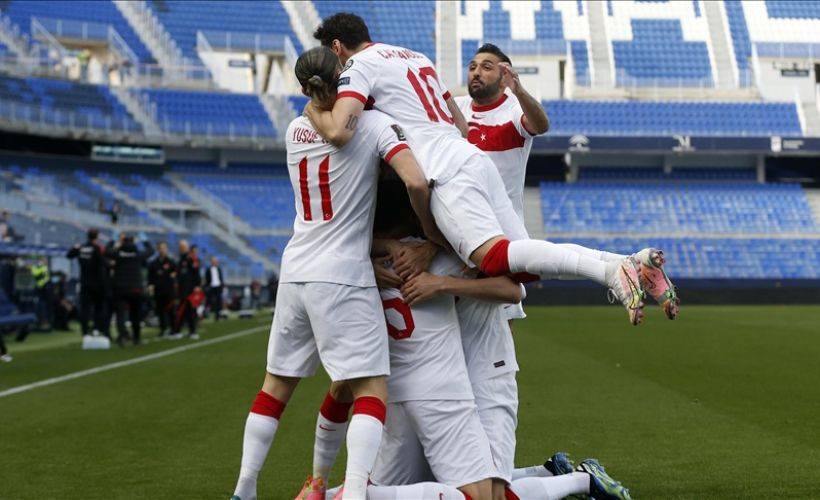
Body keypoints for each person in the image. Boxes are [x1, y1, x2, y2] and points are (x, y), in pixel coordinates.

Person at [306, 13, 679, 325]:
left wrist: (313, 112)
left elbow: (339, 131)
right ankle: (627, 264)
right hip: (469, 157)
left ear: (337, 47)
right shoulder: (416, 57)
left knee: (494, 259)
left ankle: (609, 273)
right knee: (521, 260)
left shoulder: (358, 64)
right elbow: (463, 127)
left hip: (443, 170)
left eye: (331, 57)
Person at [229, 46, 438, 500]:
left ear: (304, 88)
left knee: (275, 387)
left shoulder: (294, 128)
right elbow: (417, 182)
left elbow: (325, 127)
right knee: (370, 388)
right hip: (343, 272)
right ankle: (357, 491)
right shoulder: (374, 126)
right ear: (344, 76)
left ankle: (245, 489)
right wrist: (430, 236)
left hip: (296, 270)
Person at [107, 233, 153, 346]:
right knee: (135, 314)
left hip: (120, 288)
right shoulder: (137, 254)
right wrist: (145, 241)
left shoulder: (118, 254)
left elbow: (107, 251)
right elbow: (151, 251)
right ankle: (136, 338)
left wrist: (112, 240)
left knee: (120, 314)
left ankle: (123, 336)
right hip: (135, 288)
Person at [67, 228, 108, 338]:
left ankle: (84, 332)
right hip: (97, 283)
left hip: (84, 282)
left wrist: (75, 248)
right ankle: (95, 328)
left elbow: (69, 255)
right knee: (98, 307)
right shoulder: (97, 248)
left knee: (85, 308)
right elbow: (104, 263)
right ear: (97, 236)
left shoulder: (81, 248)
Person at [173, 240, 202, 340]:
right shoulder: (180, 259)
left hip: (190, 289)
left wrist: (197, 285)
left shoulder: (191, 259)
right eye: (180, 246)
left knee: (191, 310)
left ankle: (192, 331)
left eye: (183, 247)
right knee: (181, 310)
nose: (181, 248)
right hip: (182, 290)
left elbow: (196, 273)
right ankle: (177, 331)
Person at [147, 241, 176, 337]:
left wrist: (173, 276)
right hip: (158, 291)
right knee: (160, 311)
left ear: (166, 249)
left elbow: (176, 272)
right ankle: (163, 329)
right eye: (160, 248)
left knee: (171, 310)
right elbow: (150, 277)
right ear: (158, 249)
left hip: (169, 290)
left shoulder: (171, 262)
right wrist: (150, 286)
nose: (162, 250)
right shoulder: (153, 263)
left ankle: (173, 329)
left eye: (164, 248)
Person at [30, 257, 51, 330]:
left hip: (45, 289)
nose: (45, 262)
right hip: (38, 289)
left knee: (44, 305)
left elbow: (46, 277)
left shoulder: (44, 267)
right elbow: (36, 274)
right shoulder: (36, 267)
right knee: (39, 305)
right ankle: (39, 322)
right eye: (44, 260)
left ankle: (44, 322)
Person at [204, 256, 224, 321]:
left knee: (218, 302)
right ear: (211, 262)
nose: (215, 262)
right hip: (211, 286)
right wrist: (207, 286)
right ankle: (205, 314)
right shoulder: (208, 269)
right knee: (208, 301)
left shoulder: (219, 269)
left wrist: (221, 285)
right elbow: (206, 279)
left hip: (218, 286)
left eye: (216, 261)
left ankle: (217, 316)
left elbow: (220, 278)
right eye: (214, 261)